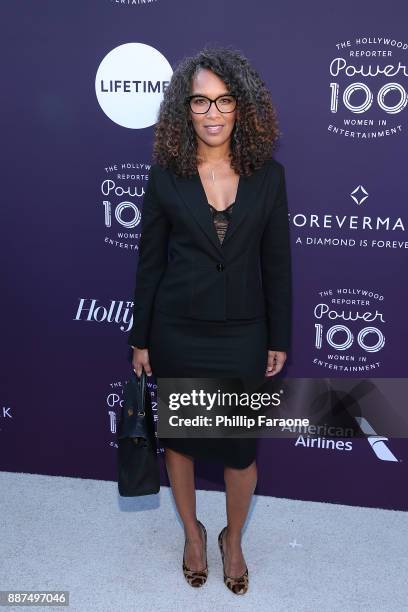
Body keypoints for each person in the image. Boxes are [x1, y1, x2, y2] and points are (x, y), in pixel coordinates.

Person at [128, 46, 292, 595]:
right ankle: (194, 536)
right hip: (179, 330)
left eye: (224, 100)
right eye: (201, 101)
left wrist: (280, 334)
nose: (214, 112)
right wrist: (142, 338)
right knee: (181, 441)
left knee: (241, 451)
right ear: (185, 110)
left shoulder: (269, 177)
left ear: (241, 108)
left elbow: (277, 263)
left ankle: (234, 540)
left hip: (245, 332)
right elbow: (149, 263)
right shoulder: (164, 177)